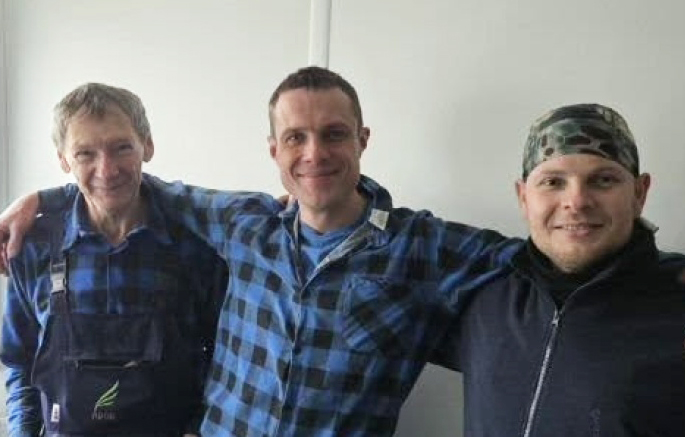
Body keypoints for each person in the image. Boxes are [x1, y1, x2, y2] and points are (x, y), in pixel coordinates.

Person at [0, 67, 520, 436]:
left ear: (362, 139)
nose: (314, 154)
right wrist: (45, 200)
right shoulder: (246, 225)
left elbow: (532, 258)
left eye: (333, 135)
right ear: (274, 149)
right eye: (295, 138)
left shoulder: (421, 248)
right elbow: (127, 186)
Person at [439, 103, 685, 436]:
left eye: (604, 180)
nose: (577, 201)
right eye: (553, 182)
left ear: (639, 194)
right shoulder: (481, 289)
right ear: (523, 197)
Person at [0, 83, 228, 436]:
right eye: (85, 154)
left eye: (121, 148)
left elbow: (224, 358)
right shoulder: (33, 249)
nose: (107, 170)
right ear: (63, 159)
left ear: (147, 145)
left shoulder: (196, 248)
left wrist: (199, 429)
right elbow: (19, 362)